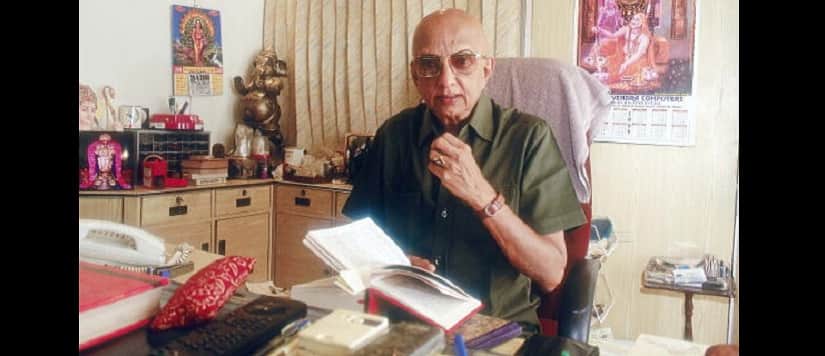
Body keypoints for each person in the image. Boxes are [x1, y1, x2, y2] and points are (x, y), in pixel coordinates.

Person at [342, 8, 586, 335]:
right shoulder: (395, 135)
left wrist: (482, 196)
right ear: (415, 76)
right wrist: (391, 265)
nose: (446, 81)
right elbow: (356, 243)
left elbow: (551, 272)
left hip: (494, 330)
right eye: (430, 65)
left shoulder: (529, 138)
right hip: (406, 325)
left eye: (463, 61)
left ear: (487, 69)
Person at [592, 11, 657, 85]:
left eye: (637, 20)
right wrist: (600, 30)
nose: (633, 21)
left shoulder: (644, 37)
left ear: (642, 23)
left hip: (636, 61)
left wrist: (626, 64)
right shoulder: (626, 29)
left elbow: (638, 54)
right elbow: (612, 35)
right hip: (624, 58)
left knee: (628, 75)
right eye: (633, 19)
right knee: (610, 68)